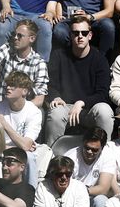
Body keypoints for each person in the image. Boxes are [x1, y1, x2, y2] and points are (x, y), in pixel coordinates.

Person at [44, 13, 112, 144]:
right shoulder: (59, 56)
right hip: (65, 107)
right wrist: (56, 96)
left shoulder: (99, 59)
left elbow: (103, 93)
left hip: (89, 109)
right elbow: (50, 84)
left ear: (90, 36)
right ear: (70, 35)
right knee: (56, 113)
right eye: (76, 33)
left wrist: (82, 102)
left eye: (84, 33)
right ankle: (52, 157)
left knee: (104, 110)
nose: (80, 36)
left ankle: (105, 153)